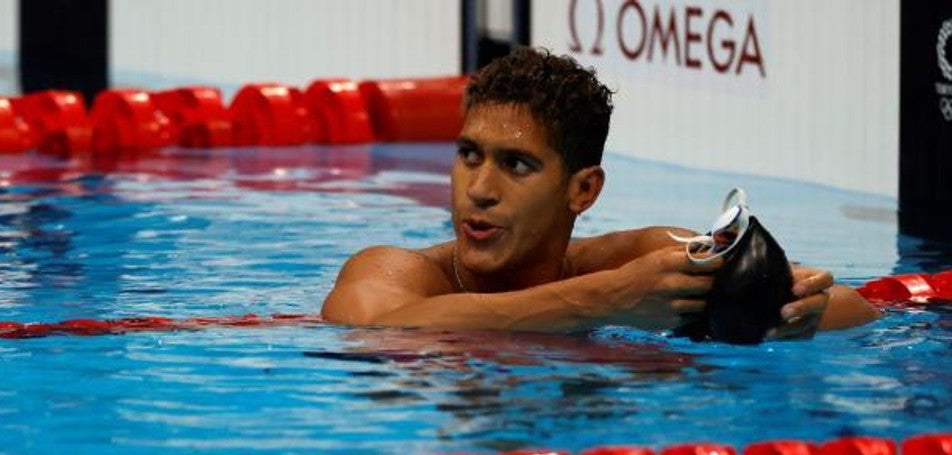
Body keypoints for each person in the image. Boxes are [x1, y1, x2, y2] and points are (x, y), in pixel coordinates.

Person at [321, 48, 880, 337]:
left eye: (516, 165)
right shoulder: (398, 273)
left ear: (583, 190)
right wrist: (607, 299)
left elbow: (858, 309)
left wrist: (788, 312)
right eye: (469, 157)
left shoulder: (641, 263)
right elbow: (369, 326)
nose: (480, 191)